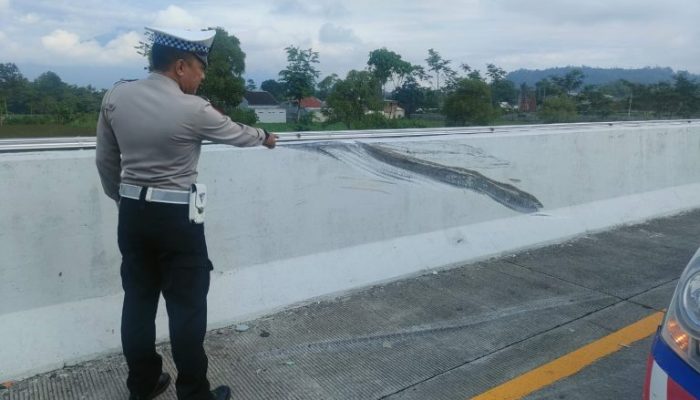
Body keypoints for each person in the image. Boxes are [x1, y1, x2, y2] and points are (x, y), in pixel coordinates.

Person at [95, 26, 277, 400]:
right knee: (187, 309)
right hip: (176, 222)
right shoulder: (192, 109)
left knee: (138, 301)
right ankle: (194, 393)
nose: (202, 76)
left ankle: (143, 384)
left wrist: (123, 199)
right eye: (200, 68)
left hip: (131, 216)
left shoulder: (116, 95)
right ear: (180, 66)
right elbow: (238, 134)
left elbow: (105, 160)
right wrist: (265, 136)